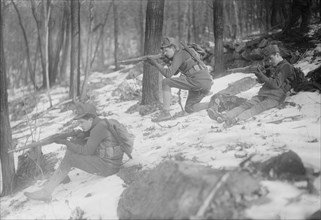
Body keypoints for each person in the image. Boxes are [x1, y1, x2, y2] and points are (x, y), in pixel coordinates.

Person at [24, 102, 124, 202]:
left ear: (90, 119)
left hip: (108, 168)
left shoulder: (98, 129)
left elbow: (87, 151)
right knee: (75, 143)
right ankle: (61, 175)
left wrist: (66, 142)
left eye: (81, 122)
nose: (80, 125)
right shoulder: (101, 123)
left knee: (70, 157)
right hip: (113, 163)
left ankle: (46, 192)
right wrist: (80, 136)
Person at [207, 44, 295, 127]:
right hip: (264, 93)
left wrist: (262, 75)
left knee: (257, 108)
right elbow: (264, 80)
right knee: (246, 104)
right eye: (267, 60)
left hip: (275, 97)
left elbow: (275, 84)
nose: (269, 62)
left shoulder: (286, 66)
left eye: (270, 59)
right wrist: (260, 75)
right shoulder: (274, 67)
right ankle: (224, 117)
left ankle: (236, 119)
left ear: (277, 54)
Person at [145, 37, 213, 122]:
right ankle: (213, 104)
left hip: (197, 81)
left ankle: (166, 113)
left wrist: (155, 63)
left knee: (166, 82)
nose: (165, 53)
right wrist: (166, 61)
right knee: (189, 107)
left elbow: (168, 74)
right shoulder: (182, 54)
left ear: (173, 48)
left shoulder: (179, 54)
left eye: (166, 51)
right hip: (205, 82)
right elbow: (175, 72)